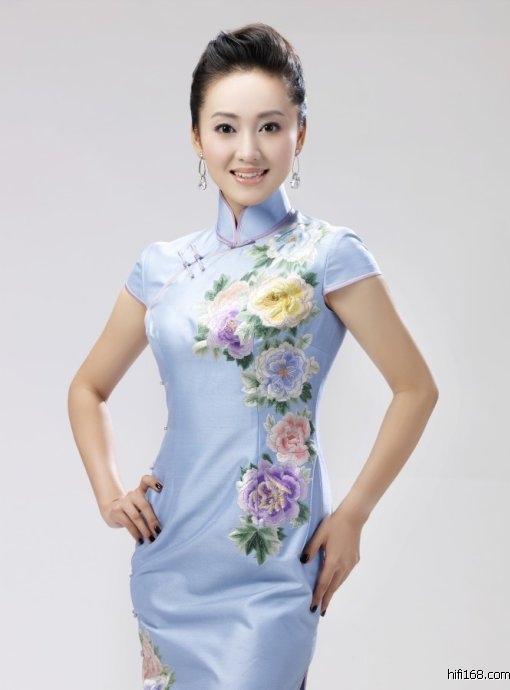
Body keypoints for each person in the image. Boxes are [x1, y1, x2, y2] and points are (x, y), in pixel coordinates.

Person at [68, 22, 438, 690]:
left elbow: (416, 388)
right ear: (196, 137)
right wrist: (109, 494)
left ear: (301, 133)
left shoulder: (329, 255)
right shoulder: (163, 267)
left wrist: (353, 516)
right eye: (225, 128)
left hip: (275, 564)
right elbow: (87, 389)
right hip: (171, 558)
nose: (248, 150)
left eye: (270, 126)